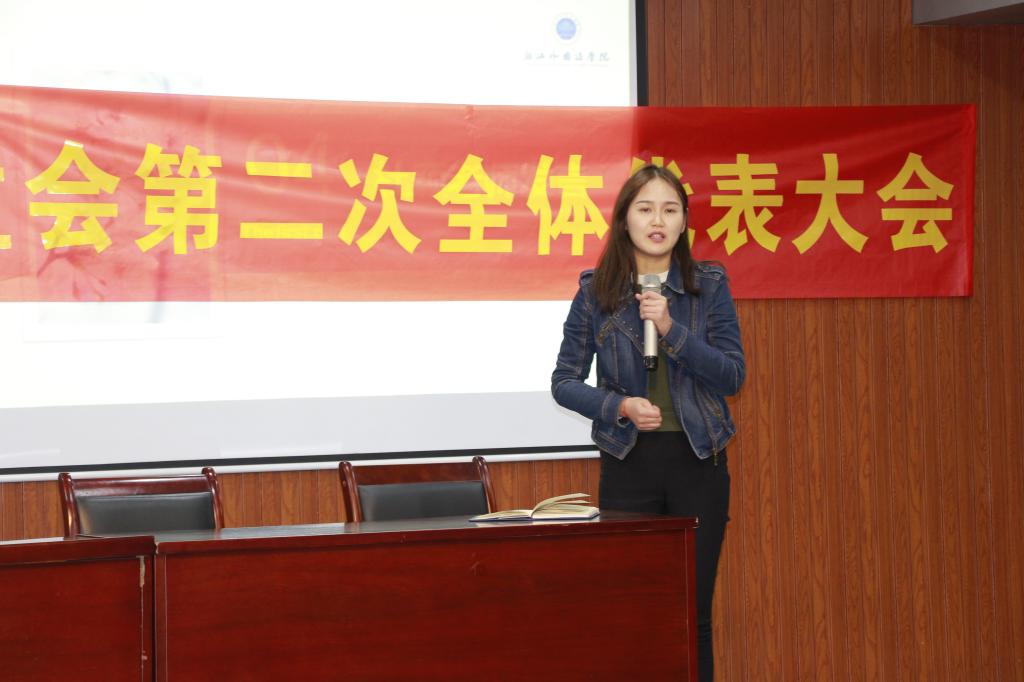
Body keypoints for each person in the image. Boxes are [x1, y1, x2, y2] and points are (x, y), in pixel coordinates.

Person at [551, 164, 745, 682]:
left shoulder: (709, 286)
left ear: (683, 222)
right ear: (624, 220)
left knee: (692, 613)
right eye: (645, 208)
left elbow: (732, 376)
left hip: (698, 463)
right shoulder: (596, 292)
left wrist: (670, 328)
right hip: (629, 464)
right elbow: (564, 381)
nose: (657, 220)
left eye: (669, 209)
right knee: (633, 613)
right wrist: (619, 407)